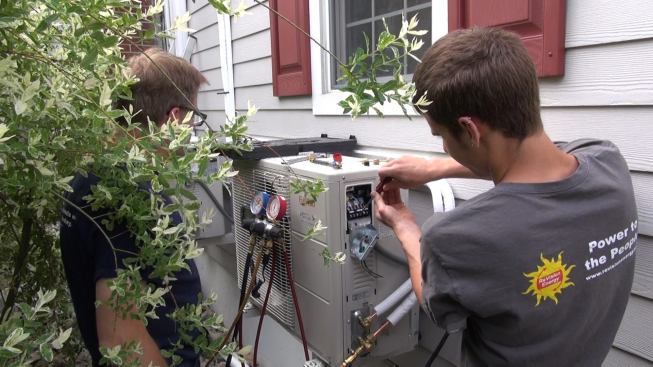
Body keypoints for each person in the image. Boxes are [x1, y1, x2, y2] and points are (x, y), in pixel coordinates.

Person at [373, 28, 637, 366]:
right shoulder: (608, 162)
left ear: (470, 130)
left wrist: (406, 227)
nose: (443, 146)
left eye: (440, 135)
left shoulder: (455, 239)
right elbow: (534, 158)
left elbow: (436, 307)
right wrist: (433, 169)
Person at [60, 48, 208, 367]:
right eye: (194, 119)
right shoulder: (127, 195)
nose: (192, 133)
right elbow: (122, 339)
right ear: (173, 118)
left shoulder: (91, 177)